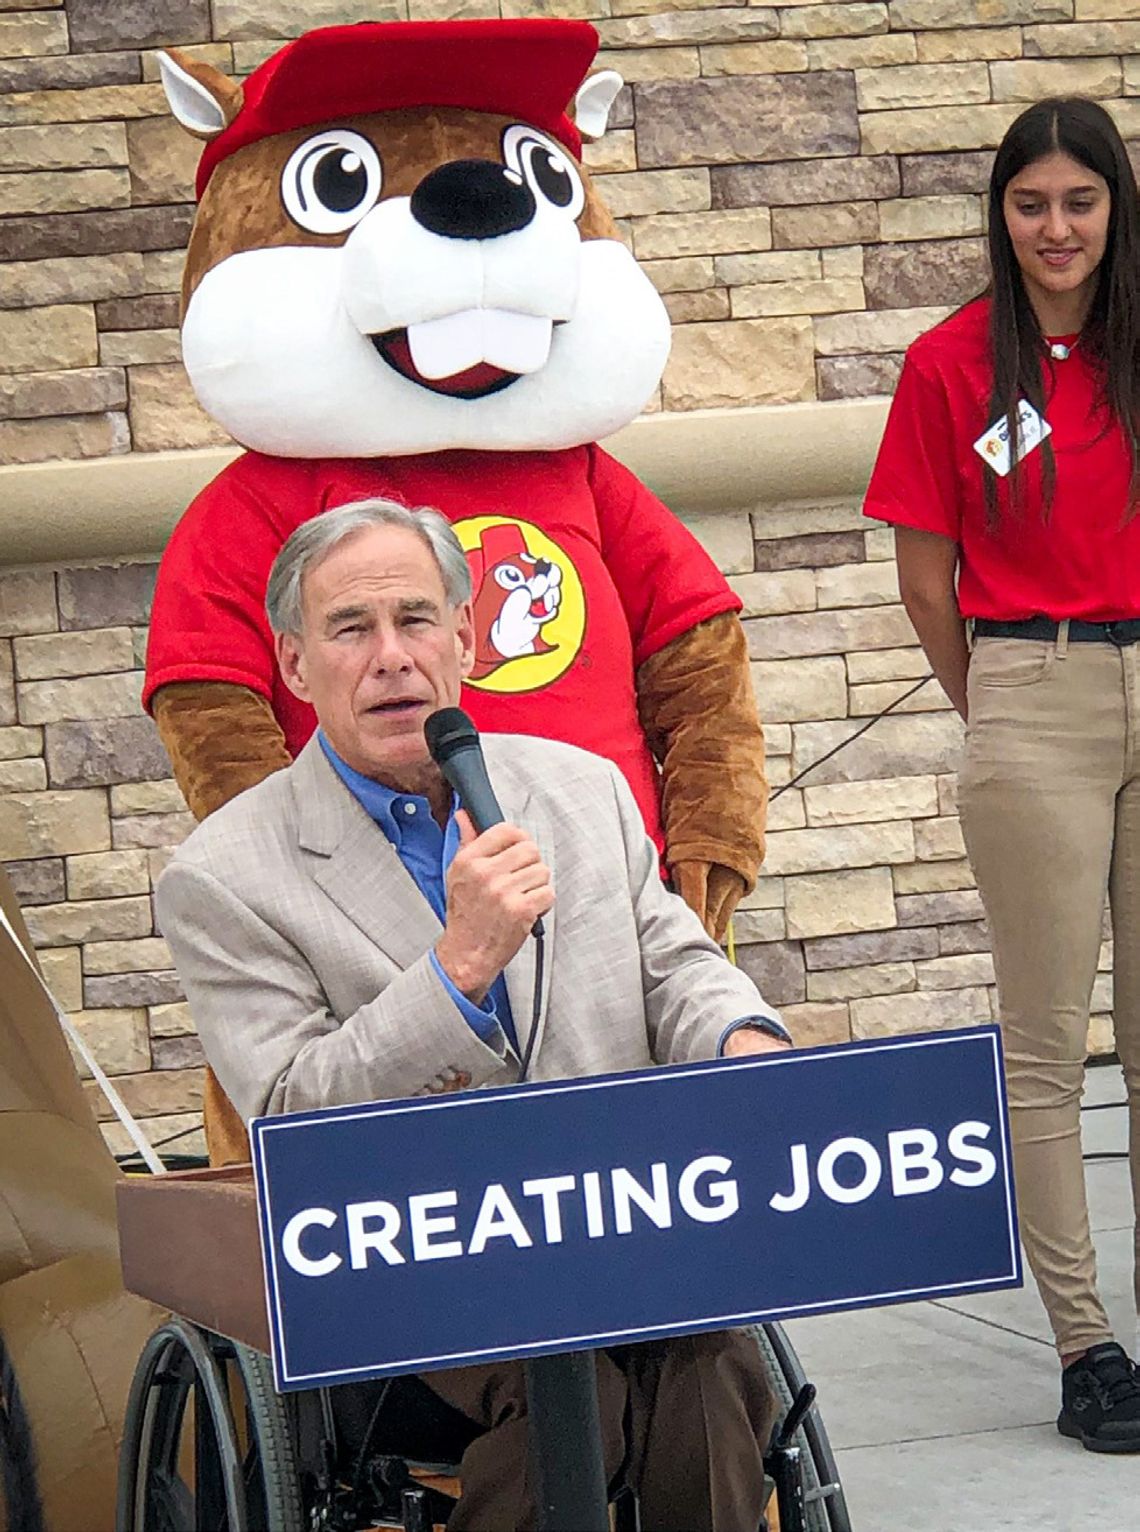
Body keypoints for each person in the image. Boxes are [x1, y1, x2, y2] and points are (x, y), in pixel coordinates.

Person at [155, 496, 792, 1530]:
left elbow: (672, 963)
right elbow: (288, 1105)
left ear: (464, 639)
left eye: (416, 619)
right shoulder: (224, 875)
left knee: (713, 1361)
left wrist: (742, 1038)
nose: (391, 656)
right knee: (567, 1386)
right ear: (294, 663)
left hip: (613, 1220)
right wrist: (459, 964)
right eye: (351, 628)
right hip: (402, 1264)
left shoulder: (579, 788)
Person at [864, 95, 1140, 1454]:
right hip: (1035, 686)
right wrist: (1002, 708)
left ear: (1114, 207)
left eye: (1079, 201)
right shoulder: (954, 366)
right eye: (1030, 203)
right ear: (1002, 215)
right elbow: (924, 581)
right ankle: (1088, 1346)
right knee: (1047, 1044)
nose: (1056, 228)